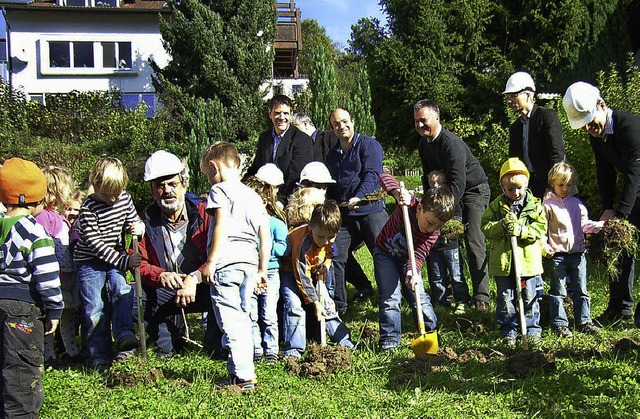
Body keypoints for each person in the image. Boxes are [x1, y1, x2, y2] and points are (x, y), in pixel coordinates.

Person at [563, 81, 640, 325]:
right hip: (636, 189)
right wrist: (608, 208)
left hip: (637, 182)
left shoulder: (628, 127)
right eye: (583, 124)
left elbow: (633, 173)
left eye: (590, 121)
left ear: (602, 105)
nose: (588, 128)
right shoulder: (597, 136)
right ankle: (620, 309)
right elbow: (605, 171)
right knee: (619, 244)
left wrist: (621, 214)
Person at [136, 150, 221, 357]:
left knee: (223, 287)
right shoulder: (143, 221)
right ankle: (168, 343)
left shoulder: (205, 213)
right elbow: (138, 262)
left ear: (184, 184)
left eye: (172, 184)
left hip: (202, 286)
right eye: (159, 186)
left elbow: (218, 253)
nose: (167, 191)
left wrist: (195, 277)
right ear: (152, 191)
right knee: (134, 299)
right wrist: (160, 275)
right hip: (165, 288)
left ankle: (216, 346)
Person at [200, 142, 270, 391]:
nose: (210, 181)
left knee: (230, 320)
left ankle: (244, 377)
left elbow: (222, 225)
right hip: (249, 265)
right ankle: (237, 370)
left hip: (227, 263)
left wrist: (211, 261)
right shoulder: (253, 196)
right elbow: (265, 235)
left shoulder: (220, 191)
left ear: (214, 167)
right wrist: (262, 269)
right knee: (244, 317)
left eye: (208, 176)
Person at [414, 99, 492, 312]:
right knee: (442, 240)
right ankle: (448, 294)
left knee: (473, 238)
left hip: (473, 190)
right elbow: (427, 177)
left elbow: (459, 183)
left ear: (437, 118)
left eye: (424, 120)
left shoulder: (450, 143)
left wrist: (443, 213)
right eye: (416, 122)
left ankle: (481, 296)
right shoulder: (424, 145)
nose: (420, 126)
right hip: (448, 192)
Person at [0, 158, 63, 417]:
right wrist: (55, 309)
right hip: (21, 310)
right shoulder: (35, 233)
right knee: (22, 372)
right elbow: (47, 277)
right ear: (38, 198)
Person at [74, 157, 144, 371]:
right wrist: (125, 261)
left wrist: (138, 228)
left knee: (122, 291)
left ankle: (125, 340)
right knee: (95, 306)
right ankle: (99, 355)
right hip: (90, 261)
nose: (113, 199)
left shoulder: (124, 199)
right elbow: (96, 245)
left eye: (117, 193)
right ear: (94, 185)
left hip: (115, 255)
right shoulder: (88, 208)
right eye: (107, 194)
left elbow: (133, 220)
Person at [374, 172, 455, 352]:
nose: (432, 228)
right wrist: (397, 193)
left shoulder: (433, 234)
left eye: (437, 226)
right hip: (385, 253)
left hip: (407, 260)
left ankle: (429, 330)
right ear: (420, 209)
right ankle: (390, 341)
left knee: (419, 295)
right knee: (390, 297)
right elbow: (383, 176)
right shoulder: (409, 203)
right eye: (430, 222)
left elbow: (419, 254)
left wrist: (412, 271)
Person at [325, 108, 386, 314]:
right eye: (336, 124)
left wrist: (359, 196)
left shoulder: (369, 145)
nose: (341, 126)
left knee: (383, 255)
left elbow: (372, 174)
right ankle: (339, 307)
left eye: (344, 121)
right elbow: (332, 184)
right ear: (332, 128)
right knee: (336, 255)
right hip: (345, 215)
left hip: (371, 210)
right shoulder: (333, 155)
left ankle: (391, 300)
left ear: (353, 120)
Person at [481, 158, 546, 347]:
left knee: (529, 297)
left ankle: (532, 329)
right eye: (510, 189)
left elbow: (541, 228)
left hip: (528, 264)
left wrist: (521, 231)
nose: (515, 193)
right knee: (506, 299)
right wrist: (501, 226)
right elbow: (485, 226)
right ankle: (508, 330)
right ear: (502, 187)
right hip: (503, 264)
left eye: (519, 188)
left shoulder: (535, 205)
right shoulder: (496, 206)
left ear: (526, 183)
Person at [280, 201, 355, 358]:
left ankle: (344, 340)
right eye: (321, 237)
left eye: (331, 237)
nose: (326, 241)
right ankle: (294, 349)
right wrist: (314, 302)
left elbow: (329, 253)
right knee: (294, 306)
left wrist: (326, 266)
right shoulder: (301, 241)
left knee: (327, 305)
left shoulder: (328, 236)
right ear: (311, 226)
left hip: (313, 270)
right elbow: (301, 275)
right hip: (291, 272)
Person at [543, 161, 602, 336]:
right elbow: (542, 229)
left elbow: (585, 225)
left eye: (569, 185)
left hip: (577, 253)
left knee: (581, 289)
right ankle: (559, 323)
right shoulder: (547, 205)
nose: (565, 188)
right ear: (552, 183)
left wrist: (601, 226)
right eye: (561, 185)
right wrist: (545, 246)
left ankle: (584, 320)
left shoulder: (577, 204)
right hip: (558, 254)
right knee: (558, 290)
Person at [35, 166, 81, 367]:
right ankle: (48, 354)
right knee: (51, 315)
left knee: (68, 314)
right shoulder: (45, 217)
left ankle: (72, 350)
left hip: (69, 272)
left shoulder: (60, 216)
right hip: (56, 274)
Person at [243, 164, 288, 365]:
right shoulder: (244, 224)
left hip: (270, 272)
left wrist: (265, 250)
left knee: (268, 313)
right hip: (249, 272)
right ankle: (255, 348)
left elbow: (284, 247)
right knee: (250, 313)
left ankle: (271, 349)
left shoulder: (275, 223)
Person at [503, 71, 565, 198]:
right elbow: (514, 162)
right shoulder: (515, 128)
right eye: (508, 97)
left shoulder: (547, 116)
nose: (509, 101)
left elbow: (557, 155)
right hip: (531, 190)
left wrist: (553, 187)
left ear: (527, 95)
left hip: (557, 189)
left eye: (513, 96)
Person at [245, 95, 314, 198]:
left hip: (288, 198)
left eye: (285, 113)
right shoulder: (264, 137)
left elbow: (295, 176)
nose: (281, 117)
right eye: (277, 113)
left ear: (291, 115)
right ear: (270, 114)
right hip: (263, 197)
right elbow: (256, 167)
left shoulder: (302, 140)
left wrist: (279, 199)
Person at [425, 171, 470, 314]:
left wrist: (444, 227)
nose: (436, 186)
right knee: (437, 275)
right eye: (432, 184)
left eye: (439, 183)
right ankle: (441, 301)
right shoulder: (427, 204)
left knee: (456, 274)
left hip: (450, 245)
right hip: (433, 246)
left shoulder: (452, 203)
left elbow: (457, 222)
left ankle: (462, 300)